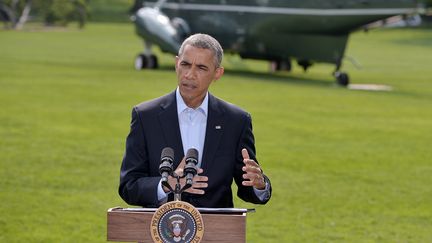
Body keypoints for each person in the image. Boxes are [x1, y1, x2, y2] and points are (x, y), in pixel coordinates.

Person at [119, 33, 272, 208]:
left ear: (217, 73)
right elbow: (128, 186)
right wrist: (165, 185)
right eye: (185, 64)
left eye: (201, 68)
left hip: (216, 232)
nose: (190, 74)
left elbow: (247, 187)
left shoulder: (236, 121)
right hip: (160, 231)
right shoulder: (145, 116)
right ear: (177, 64)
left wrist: (259, 185)